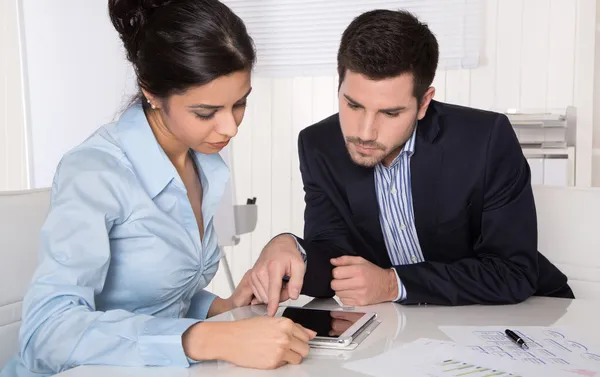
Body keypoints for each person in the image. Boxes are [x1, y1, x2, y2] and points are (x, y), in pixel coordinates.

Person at [0, 1, 316, 376]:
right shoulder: (95, 172)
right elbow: (46, 334)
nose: (230, 128)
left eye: (240, 103)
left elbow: (155, 300)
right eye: (206, 112)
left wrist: (229, 307)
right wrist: (211, 339)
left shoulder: (203, 162)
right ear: (151, 92)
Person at [249, 9, 574, 316]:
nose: (364, 132)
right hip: (402, 327)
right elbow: (336, 265)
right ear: (339, 80)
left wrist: (394, 284)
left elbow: (511, 272)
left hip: (523, 316)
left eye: (390, 113)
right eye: (353, 105)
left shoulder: (485, 139)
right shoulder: (318, 145)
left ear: (423, 103)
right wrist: (291, 248)